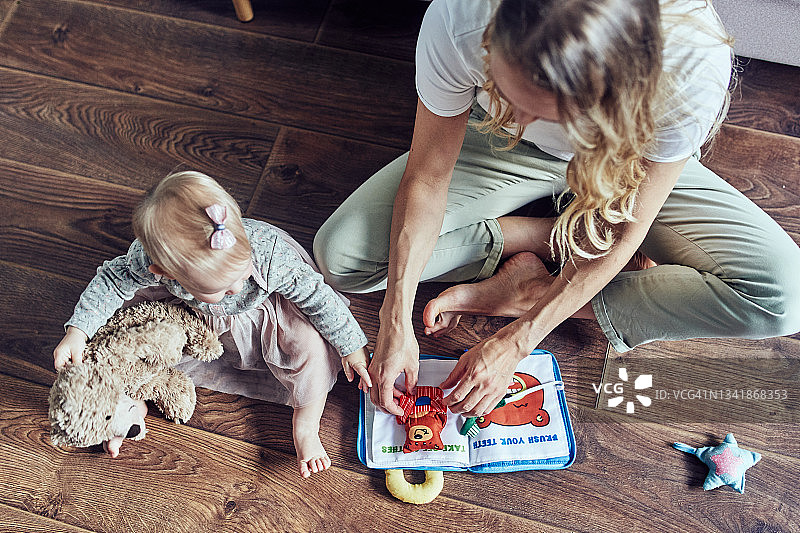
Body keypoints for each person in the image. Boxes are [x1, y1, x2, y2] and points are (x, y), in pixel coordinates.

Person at [313, 0, 800, 418]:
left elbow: (627, 230)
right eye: (503, 90)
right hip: (494, 145)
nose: (523, 120)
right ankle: (539, 235)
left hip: (624, 160)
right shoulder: (462, 16)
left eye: (547, 112)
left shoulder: (689, 66)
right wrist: (394, 319)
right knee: (342, 257)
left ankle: (530, 294)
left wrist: (521, 338)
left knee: (782, 297)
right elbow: (428, 177)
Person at [53, 171, 372, 478]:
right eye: (223, 286)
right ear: (164, 272)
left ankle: (306, 423)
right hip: (193, 315)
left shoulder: (266, 254)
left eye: (241, 271)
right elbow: (110, 281)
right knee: (130, 342)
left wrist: (351, 345)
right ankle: (126, 405)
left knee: (309, 347)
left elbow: (316, 295)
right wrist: (77, 331)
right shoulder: (149, 262)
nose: (237, 285)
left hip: (270, 307)